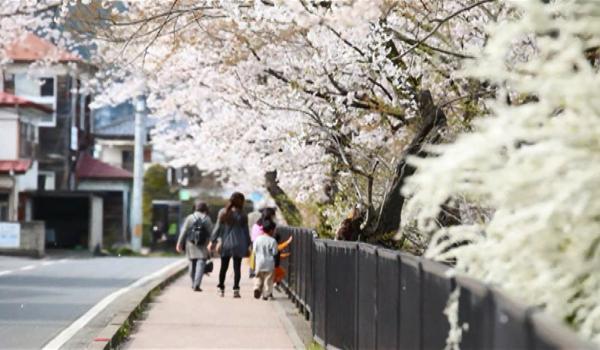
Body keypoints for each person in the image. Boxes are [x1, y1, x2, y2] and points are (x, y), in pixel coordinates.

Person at [208, 192, 251, 298]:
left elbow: (217, 228)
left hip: (226, 243)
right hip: (239, 244)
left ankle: (221, 288)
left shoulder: (223, 212)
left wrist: (212, 241)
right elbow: (246, 232)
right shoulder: (243, 214)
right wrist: (249, 244)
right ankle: (236, 289)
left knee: (224, 267)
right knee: (237, 267)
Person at [176, 201, 213, 292]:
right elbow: (212, 233)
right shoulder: (207, 218)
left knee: (192, 264)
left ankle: (193, 283)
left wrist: (179, 243)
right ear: (205, 209)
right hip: (203, 244)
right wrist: (211, 243)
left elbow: (183, 232)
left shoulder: (190, 218)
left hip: (190, 244)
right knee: (201, 265)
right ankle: (197, 284)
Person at [252, 219, 278, 300]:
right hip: (269, 264)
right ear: (271, 230)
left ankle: (256, 288)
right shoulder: (273, 241)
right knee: (268, 280)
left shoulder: (257, 239)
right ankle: (266, 294)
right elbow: (275, 253)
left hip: (259, 263)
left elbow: (254, 251)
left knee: (258, 277)